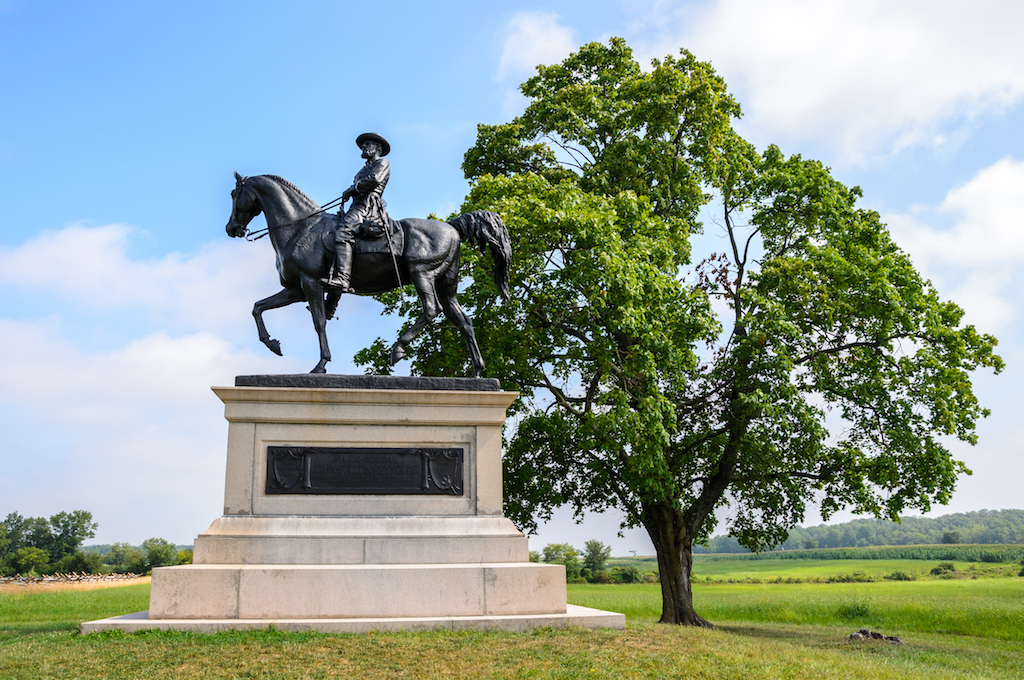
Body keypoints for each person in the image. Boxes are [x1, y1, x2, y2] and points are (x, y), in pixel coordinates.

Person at [322, 132, 391, 292]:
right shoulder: (362, 169)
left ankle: (343, 280)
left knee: (342, 233)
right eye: (363, 145)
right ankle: (331, 303)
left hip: (367, 206)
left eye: (367, 144)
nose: (364, 147)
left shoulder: (382, 163)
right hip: (356, 205)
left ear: (377, 148)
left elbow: (374, 180)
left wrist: (353, 189)